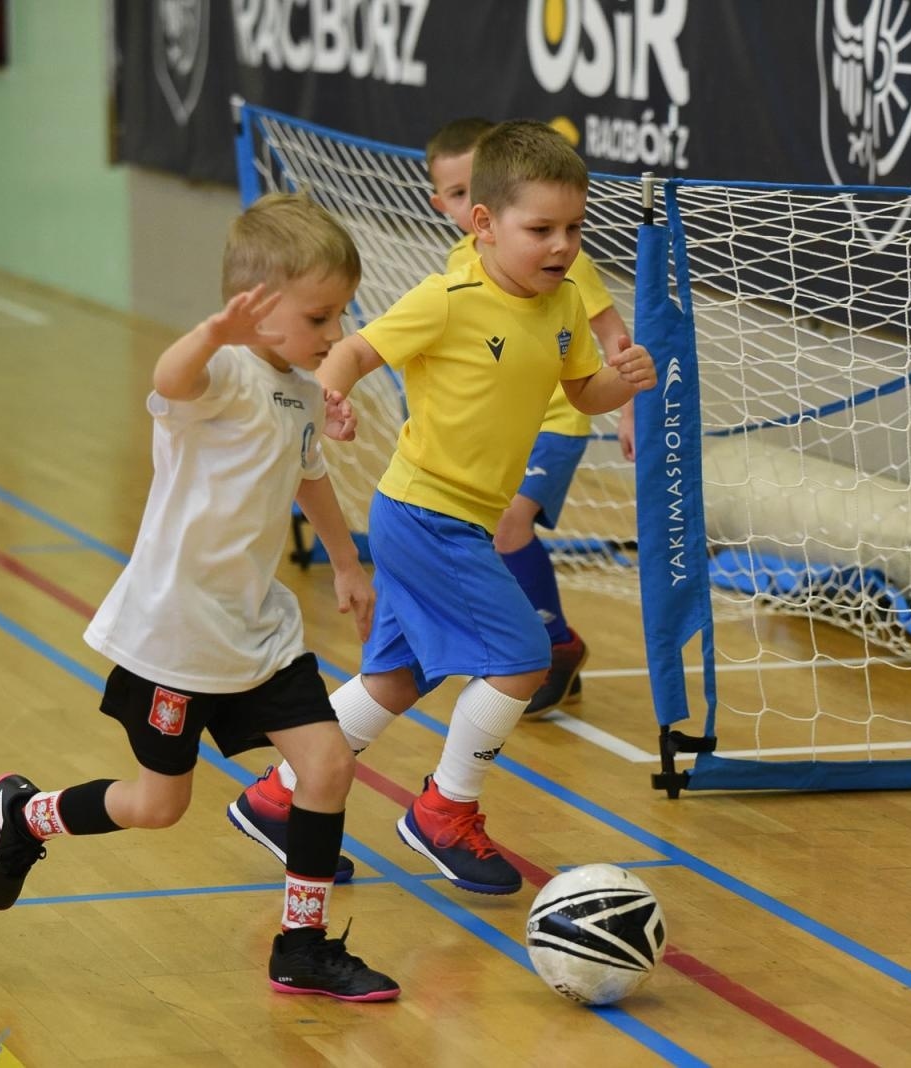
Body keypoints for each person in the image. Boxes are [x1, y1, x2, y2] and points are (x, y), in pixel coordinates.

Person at [0, 193, 399, 1002]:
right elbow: (170, 376)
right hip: (177, 634)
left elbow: (309, 475)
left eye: (342, 314)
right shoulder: (219, 375)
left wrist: (347, 561)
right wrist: (213, 333)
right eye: (319, 318)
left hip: (258, 627)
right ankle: (29, 816)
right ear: (257, 313)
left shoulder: (302, 391)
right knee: (157, 805)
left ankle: (300, 945)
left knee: (329, 763)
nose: (335, 335)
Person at [231, 121, 657, 895]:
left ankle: (279, 797)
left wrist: (622, 381)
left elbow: (582, 391)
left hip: (443, 520)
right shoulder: (448, 299)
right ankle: (443, 812)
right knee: (525, 657)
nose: (562, 245)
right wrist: (331, 390)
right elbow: (358, 349)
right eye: (541, 229)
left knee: (397, 678)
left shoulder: (562, 306)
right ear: (484, 225)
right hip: (428, 515)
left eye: (574, 228)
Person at [423, 117, 638, 716]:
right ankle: (543, 647)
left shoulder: (559, 261)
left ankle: (555, 643)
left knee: (509, 527)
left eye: (477, 188)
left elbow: (610, 330)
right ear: (443, 203)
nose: (471, 206)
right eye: (458, 194)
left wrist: (628, 410)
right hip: (504, 428)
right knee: (489, 533)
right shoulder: (458, 264)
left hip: (559, 418)